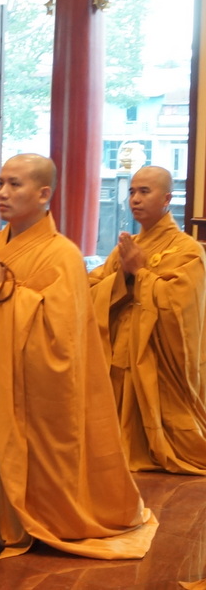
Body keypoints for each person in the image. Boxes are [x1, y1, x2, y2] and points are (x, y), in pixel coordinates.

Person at [0, 154, 156, 559]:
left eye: (14, 184)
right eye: (0, 182)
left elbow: (62, 336)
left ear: (43, 194)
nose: (2, 192)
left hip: (29, 395)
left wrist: (4, 293)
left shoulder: (62, 255)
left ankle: (36, 513)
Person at [88, 166, 206, 475]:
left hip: (157, 359)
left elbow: (182, 307)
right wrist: (125, 277)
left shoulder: (188, 250)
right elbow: (93, 288)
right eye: (132, 192)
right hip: (122, 349)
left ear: (167, 198)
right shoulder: (127, 247)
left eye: (144, 191)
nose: (135, 199)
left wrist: (139, 273)